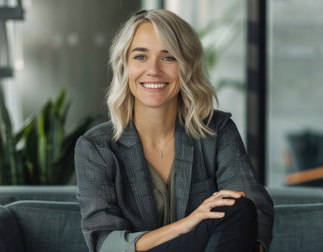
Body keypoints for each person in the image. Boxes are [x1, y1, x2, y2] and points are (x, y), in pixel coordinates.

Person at [74, 9, 274, 252]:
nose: (154, 70)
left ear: (187, 65)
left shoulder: (218, 132)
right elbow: (105, 243)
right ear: (124, 65)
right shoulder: (96, 147)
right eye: (140, 57)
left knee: (240, 208)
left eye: (168, 57)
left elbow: (254, 213)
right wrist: (186, 224)